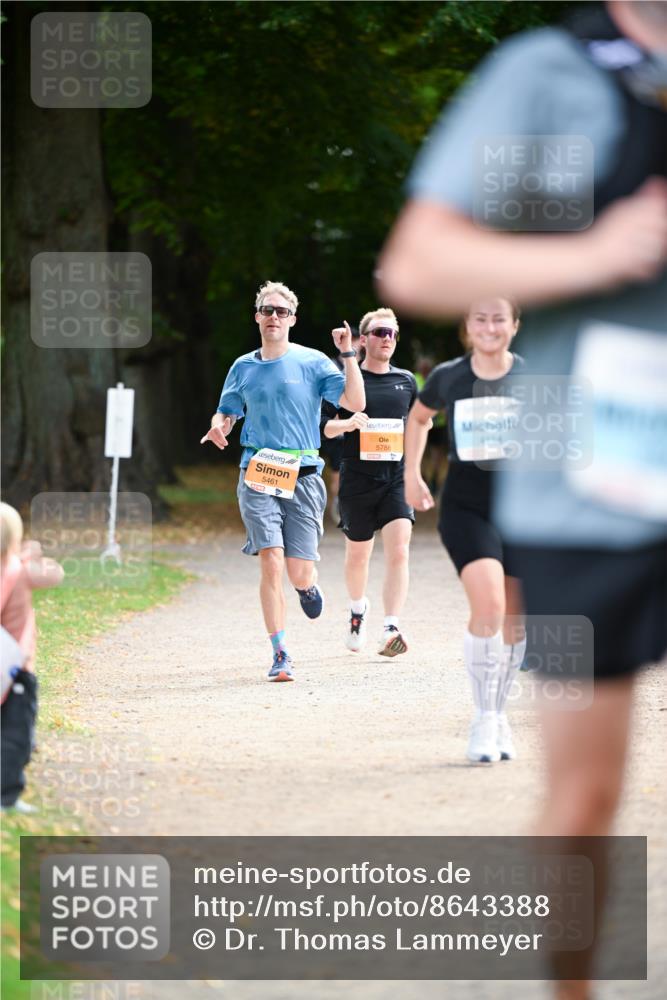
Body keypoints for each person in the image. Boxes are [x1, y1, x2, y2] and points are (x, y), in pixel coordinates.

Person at [379, 2, 667, 995]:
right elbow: (416, 262)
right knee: (586, 796)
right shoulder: (551, 76)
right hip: (598, 498)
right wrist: (602, 249)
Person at [201, 281, 365, 682]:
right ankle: (280, 653)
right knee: (271, 562)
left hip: (304, 477)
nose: (274, 317)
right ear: (257, 316)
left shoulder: (312, 363)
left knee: (297, 572)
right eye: (267, 310)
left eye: (281, 311)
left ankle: (307, 587)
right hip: (257, 473)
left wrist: (347, 355)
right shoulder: (243, 366)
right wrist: (218, 426)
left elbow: (356, 404)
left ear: (293, 319)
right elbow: (226, 411)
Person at [405, 299, 525, 762]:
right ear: (466, 327)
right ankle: (483, 719)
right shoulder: (449, 376)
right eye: (480, 318)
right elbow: (418, 418)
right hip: (467, 505)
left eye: (499, 318)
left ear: (514, 325)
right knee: (489, 607)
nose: (490, 327)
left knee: (516, 621)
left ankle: (500, 714)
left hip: (523, 509)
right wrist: (411, 474)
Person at [322, 308, 417, 656]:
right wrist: (348, 425)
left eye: (392, 333)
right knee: (358, 556)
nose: (387, 339)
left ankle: (391, 626)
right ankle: (358, 609)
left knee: (400, 550)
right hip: (357, 478)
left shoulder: (406, 380)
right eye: (379, 332)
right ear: (364, 340)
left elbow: (419, 425)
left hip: (396, 477)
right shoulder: (345, 380)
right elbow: (324, 427)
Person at [1, 502, 64, 812]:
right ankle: (6, 795)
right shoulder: (21, 571)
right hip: (15, 671)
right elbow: (55, 575)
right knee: (16, 733)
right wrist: (33, 556)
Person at [320, 326, 362, 525]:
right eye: (349, 338)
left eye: (354, 338)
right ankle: (337, 503)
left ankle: (352, 505)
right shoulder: (331, 365)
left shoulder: (364, 365)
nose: (352, 342)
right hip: (337, 429)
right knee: (337, 471)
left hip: (360, 428)